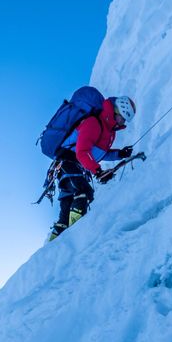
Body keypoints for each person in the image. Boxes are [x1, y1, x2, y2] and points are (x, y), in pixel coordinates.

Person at [49, 95, 136, 241]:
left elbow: (99, 155)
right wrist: (98, 172)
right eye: (121, 117)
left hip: (71, 168)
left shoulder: (109, 132)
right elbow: (82, 152)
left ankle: (52, 252)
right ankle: (74, 240)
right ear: (115, 111)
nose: (122, 122)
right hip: (68, 162)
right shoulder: (93, 123)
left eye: (124, 120)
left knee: (65, 215)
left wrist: (119, 154)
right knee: (84, 192)